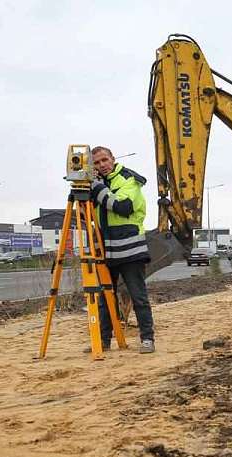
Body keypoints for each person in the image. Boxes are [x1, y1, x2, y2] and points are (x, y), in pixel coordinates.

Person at [89, 146, 156, 354]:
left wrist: (97, 189)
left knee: (138, 296)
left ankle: (147, 339)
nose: (102, 165)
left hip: (130, 249)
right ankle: (104, 340)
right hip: (107, 250)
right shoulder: (98, 184)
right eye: (97, 163)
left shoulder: (128, 179)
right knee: (104, 298)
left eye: (104, 160)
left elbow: (123, 207)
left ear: (112, 159)